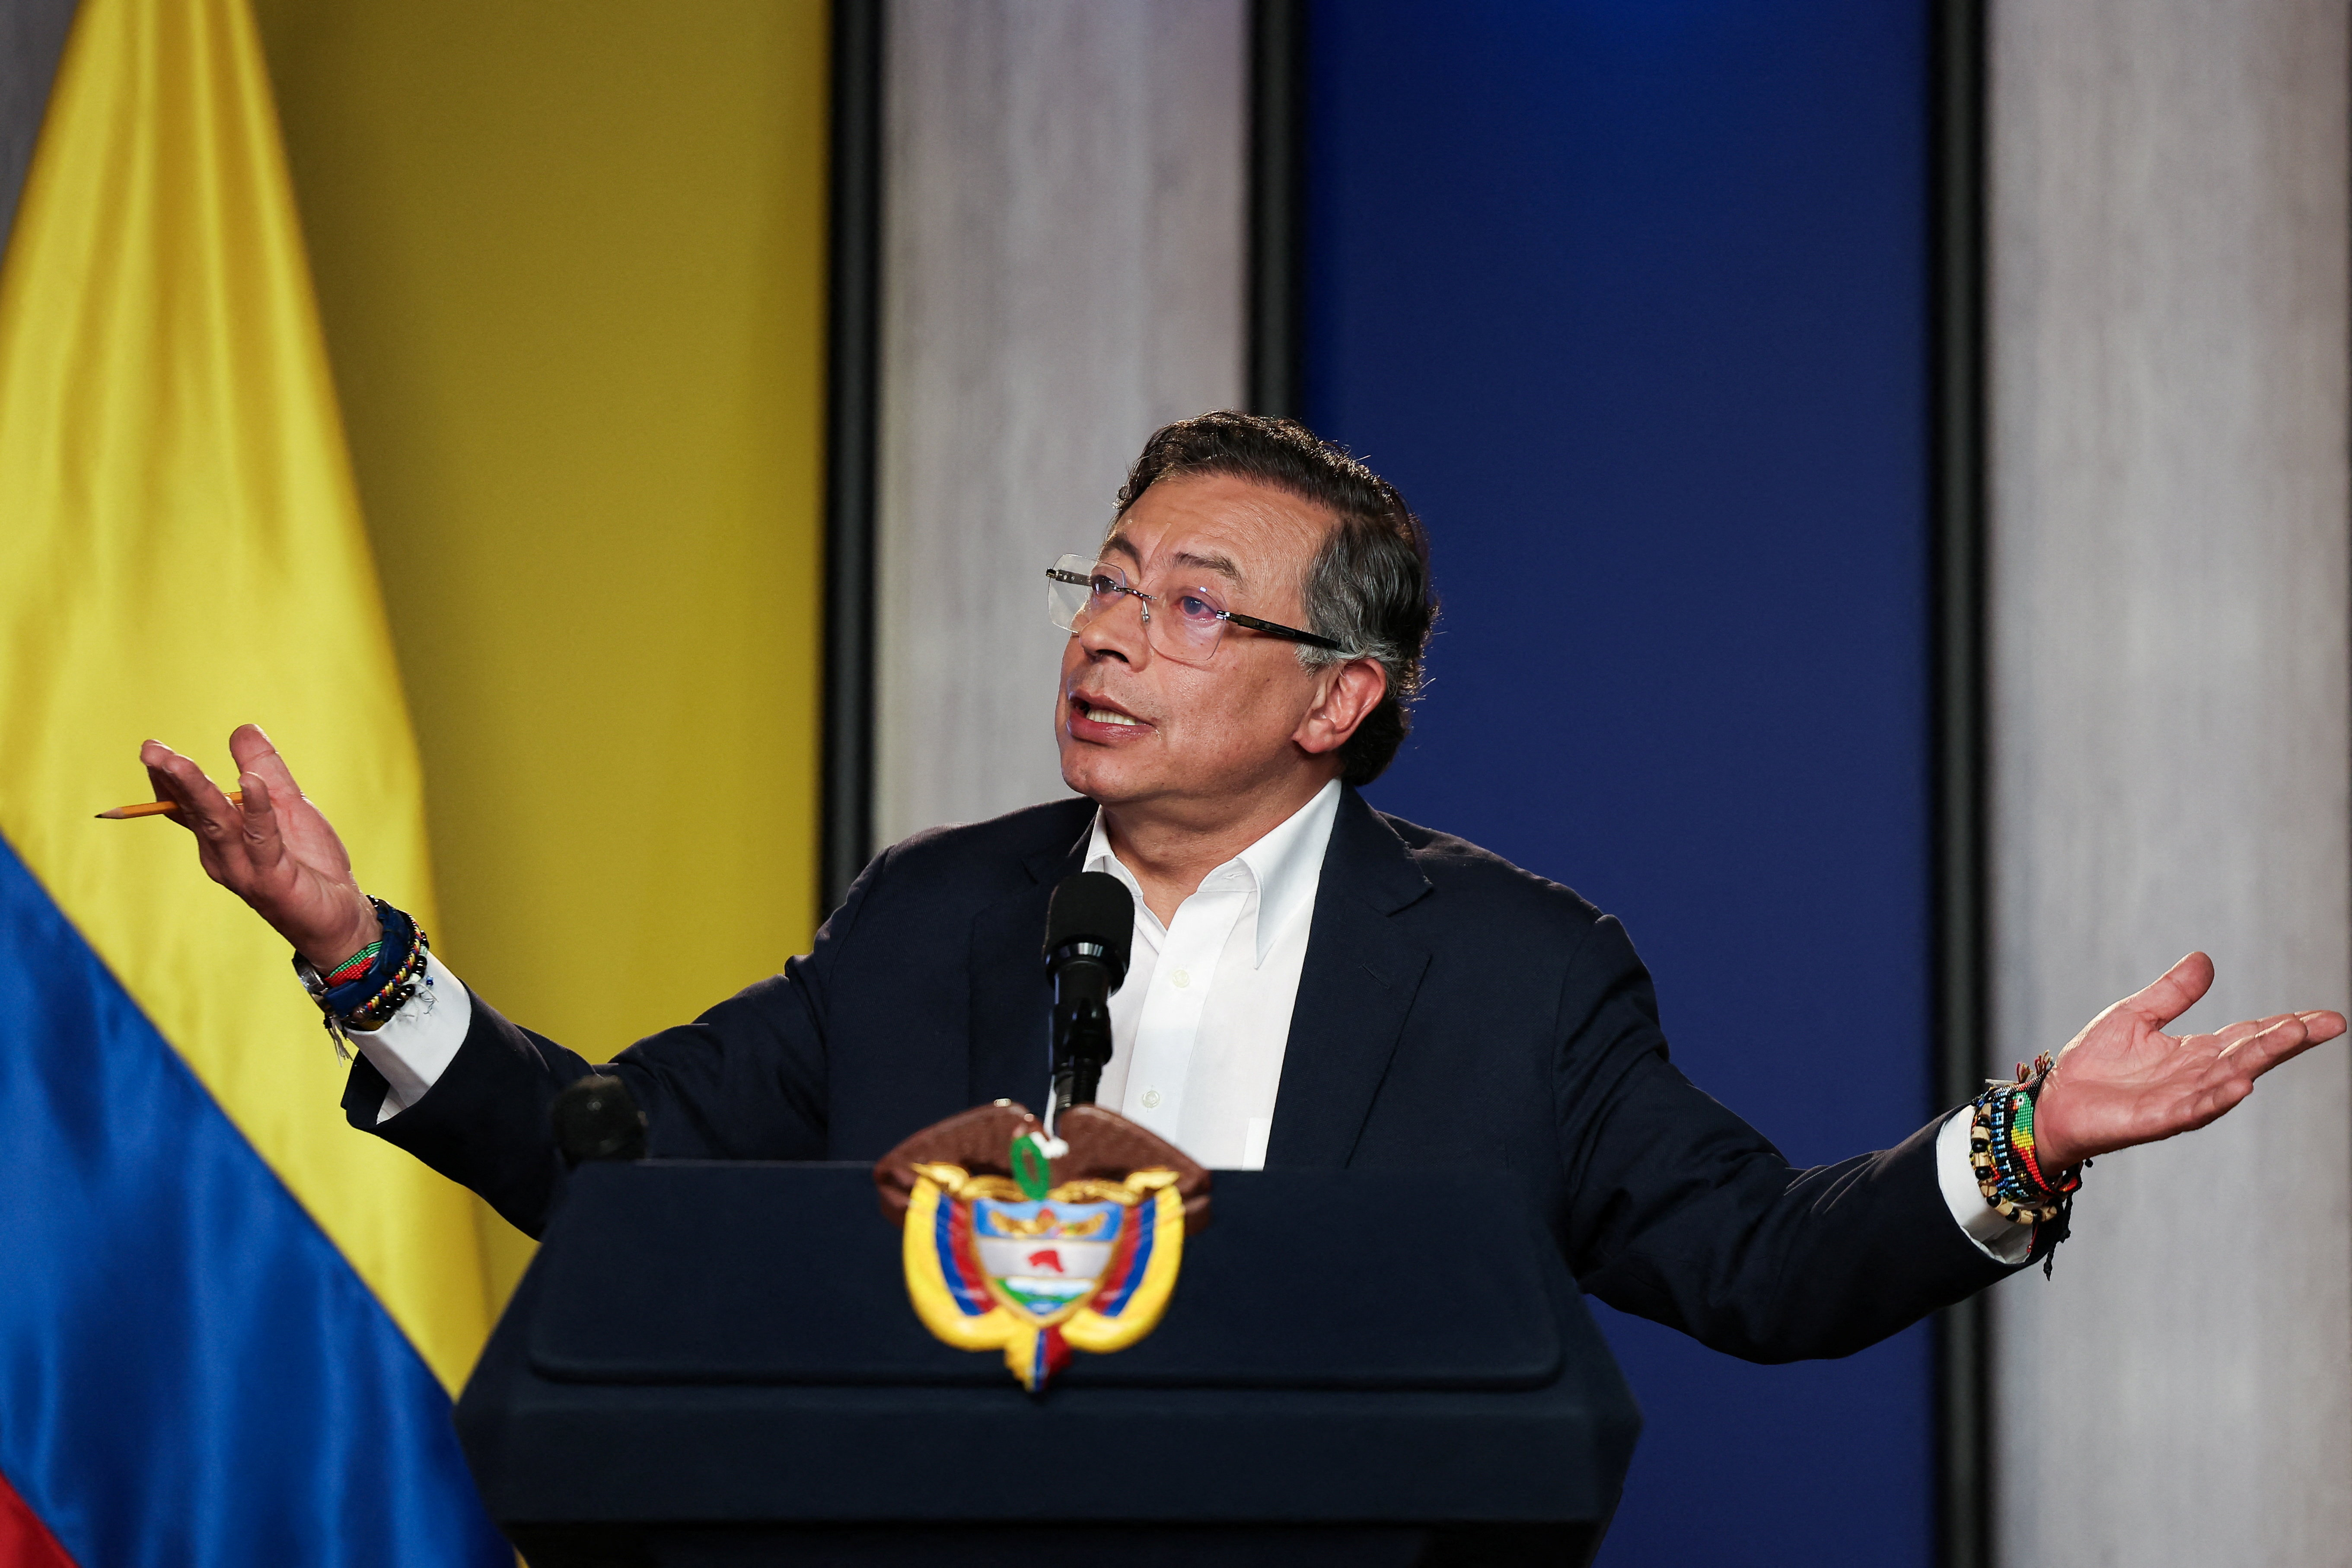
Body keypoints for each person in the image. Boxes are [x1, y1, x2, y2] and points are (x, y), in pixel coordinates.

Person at [139, 411, 2341, 1361]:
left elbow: (1763, 1264)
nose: (1106, 633)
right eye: (1102, 581)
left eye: (1194, 602)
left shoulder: (1516, 972)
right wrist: (358, 956)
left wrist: (2024, 1135)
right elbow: (612, 1157)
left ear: (1336, 698)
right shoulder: (929, 915)